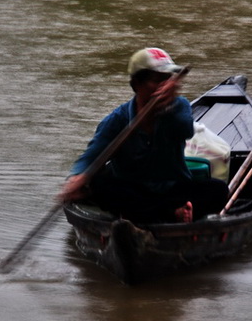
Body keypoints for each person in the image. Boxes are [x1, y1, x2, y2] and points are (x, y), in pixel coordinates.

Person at [59, 47, 228, 223]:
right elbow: (92, 156)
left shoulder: (179, 106)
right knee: (99, 185)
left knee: (218, 189)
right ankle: (170, 214)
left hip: (174, 190)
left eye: (167, 79)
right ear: (137, 84)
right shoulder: (117, 120)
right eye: (157, 80)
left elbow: (185, 129)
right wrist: (76, 178)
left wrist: (168, 106)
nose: (164, 85)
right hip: (134, 192)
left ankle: (157, 214)